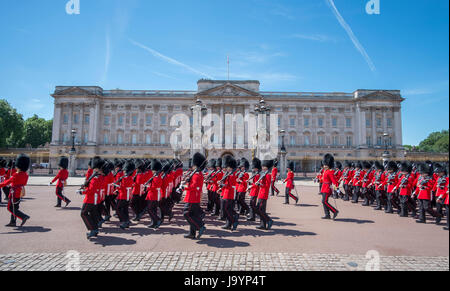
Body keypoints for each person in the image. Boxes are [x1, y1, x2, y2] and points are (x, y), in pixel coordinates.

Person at [0, 154, 31, 227]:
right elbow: (24, 183)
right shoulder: (25, 174)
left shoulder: (16, 175)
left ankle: (23, 216)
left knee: (10, 208)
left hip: (14, 192)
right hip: (20, 191)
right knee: (15, 207)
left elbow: (6, 182)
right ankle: (13, 222)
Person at [182, 152, 207, 239]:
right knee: (192, 214)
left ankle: (200, 226)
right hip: (193, 196)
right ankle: (192, 233)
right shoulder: (196, 174)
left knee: (187, 213)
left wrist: (185, 187)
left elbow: (194, 186)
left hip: (193, 197)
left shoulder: (196, 175)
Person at [79, 156, 104, 239]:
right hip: (96, 200)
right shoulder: (100, 177)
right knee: (93, 214)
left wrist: (82, 192)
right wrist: (85, 186)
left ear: (96, 168)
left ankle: (92, 229)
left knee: (83, 213)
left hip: (90, 199)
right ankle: (95, 229)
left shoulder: (95, 178)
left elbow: (91, 190)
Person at [115, 160, 135, 230]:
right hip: (127, 195)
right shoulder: (130, 177)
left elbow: (123, 188)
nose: (123, 171)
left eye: (124, 170)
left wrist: (116, 187)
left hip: (123, 195)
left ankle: (124, 221)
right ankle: (127, 221)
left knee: (118, 208)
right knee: (125, 209)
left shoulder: (126, 178)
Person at [221, 156, 239, 231]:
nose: (226, 168)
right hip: (226, 193)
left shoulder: (232, 174)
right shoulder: (228, 174)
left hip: (229, 194)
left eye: (227, 167)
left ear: (231, 167)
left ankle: (234, 221)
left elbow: (230, 185)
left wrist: (223, 185)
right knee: (228, 209)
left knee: (227, 209)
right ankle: (228, 224)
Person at [255, 159, 274, 230]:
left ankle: (269, 220)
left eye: (264, 166)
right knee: (261, 210)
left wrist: (260, 184)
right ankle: (263, 224)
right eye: (262, 166)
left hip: (264, 194)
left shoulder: (268, 175)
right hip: (261, 193)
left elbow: (267, 185)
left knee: (259, 209)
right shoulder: (263, 174)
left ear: (267, 167)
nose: (262, 167)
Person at [320, 154, 340, 220]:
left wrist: (337, 189)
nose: (324, 166)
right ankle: (327, 215)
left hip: (327, 188)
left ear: (329, 165)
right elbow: (323, 179)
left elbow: (334, 181)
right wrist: (318, 179)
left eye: (326, 165)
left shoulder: (330, 172)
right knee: (323, 201)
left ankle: (334, 211)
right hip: (323, 187)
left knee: (324, 201)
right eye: (324, 165)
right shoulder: (325, 171)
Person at [145, 159, 163, 229]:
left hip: (153, 195)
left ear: (155, 170)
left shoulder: (157, 178)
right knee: (153, 209)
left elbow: (154, 187)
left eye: (153, 170)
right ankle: (153, 222)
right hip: (153, 195)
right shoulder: (156, 177)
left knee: (149, 209)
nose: (152, 171)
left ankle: (158, 219)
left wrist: (147, 186)